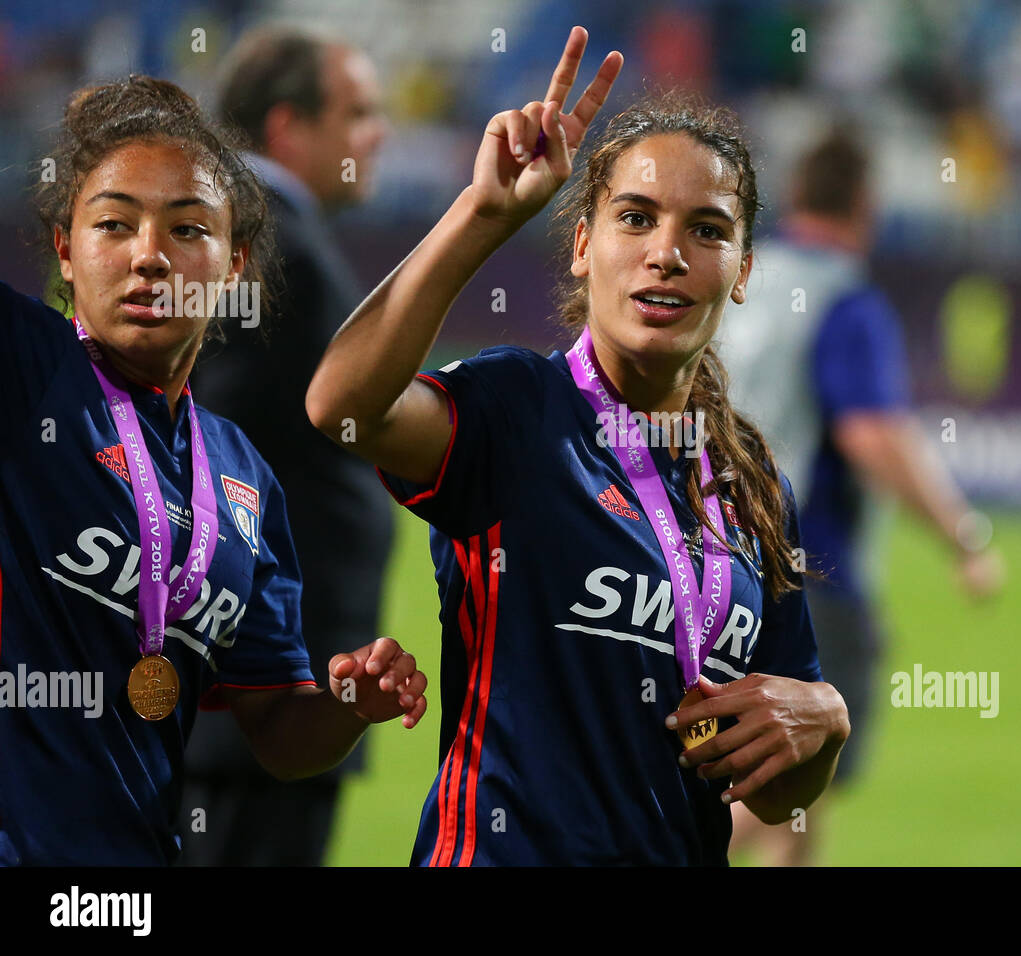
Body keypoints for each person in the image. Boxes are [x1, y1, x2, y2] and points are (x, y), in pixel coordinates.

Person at [305, 26, 850, 866]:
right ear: (585, 243)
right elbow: (342, 407)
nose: (666, 253)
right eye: (635, 218)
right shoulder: (520, 411)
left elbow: (772, 786)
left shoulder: (748, 484)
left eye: (707, 230)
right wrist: (484, 213)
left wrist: (824, 723)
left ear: (742, 271)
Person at [0, 75, 426, 866]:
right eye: (113, 225)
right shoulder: (25, 373)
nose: (149, 256)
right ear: (66, 248)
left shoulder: (239, 477)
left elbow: (279, 730)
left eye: (187, 229)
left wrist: (347, 701)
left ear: (233, 265)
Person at [719, 129, 1004, 866]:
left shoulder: (743, 278)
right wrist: (963, 536)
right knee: (797, 763)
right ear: (865, 206)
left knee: (801, 778)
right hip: (814, 569)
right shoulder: (845, 302)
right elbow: (873, 436)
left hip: (717, 556)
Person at [181, 26, 394, 867]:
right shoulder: (265, 242)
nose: (377, 134)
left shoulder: (265, 237)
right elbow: (193, 435)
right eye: (358, 112)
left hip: (275, 705)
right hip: (256, 711)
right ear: (286, 128)